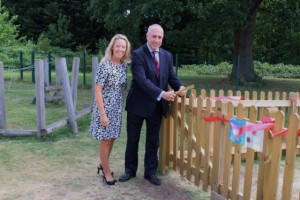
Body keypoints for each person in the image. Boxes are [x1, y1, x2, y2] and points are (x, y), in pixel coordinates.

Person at [119, 24, 186, 186]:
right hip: (137, 105)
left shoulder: (167, 56)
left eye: (160, 37)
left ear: (162, 39)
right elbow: (142, 81)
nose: (157, 40)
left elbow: (171, 76)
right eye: (154, 36)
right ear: (147, 36)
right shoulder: (137, 55)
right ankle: (130, 170)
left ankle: (150, 173)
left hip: (156, 107)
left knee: (153, 141)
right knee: (133, 140)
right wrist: (162, 94)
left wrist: (180, 87)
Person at [89, 34, 131, 185]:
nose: (120, 49)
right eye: (118, 46)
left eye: (123, 47)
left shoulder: (124, 66)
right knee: (105, 141)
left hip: (116, 108)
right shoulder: (104, 65)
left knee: (112, 138)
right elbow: (98, 90)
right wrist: (102, 113)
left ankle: (103, 164)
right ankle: (106, 172)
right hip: (104, 108)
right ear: (112, 47)